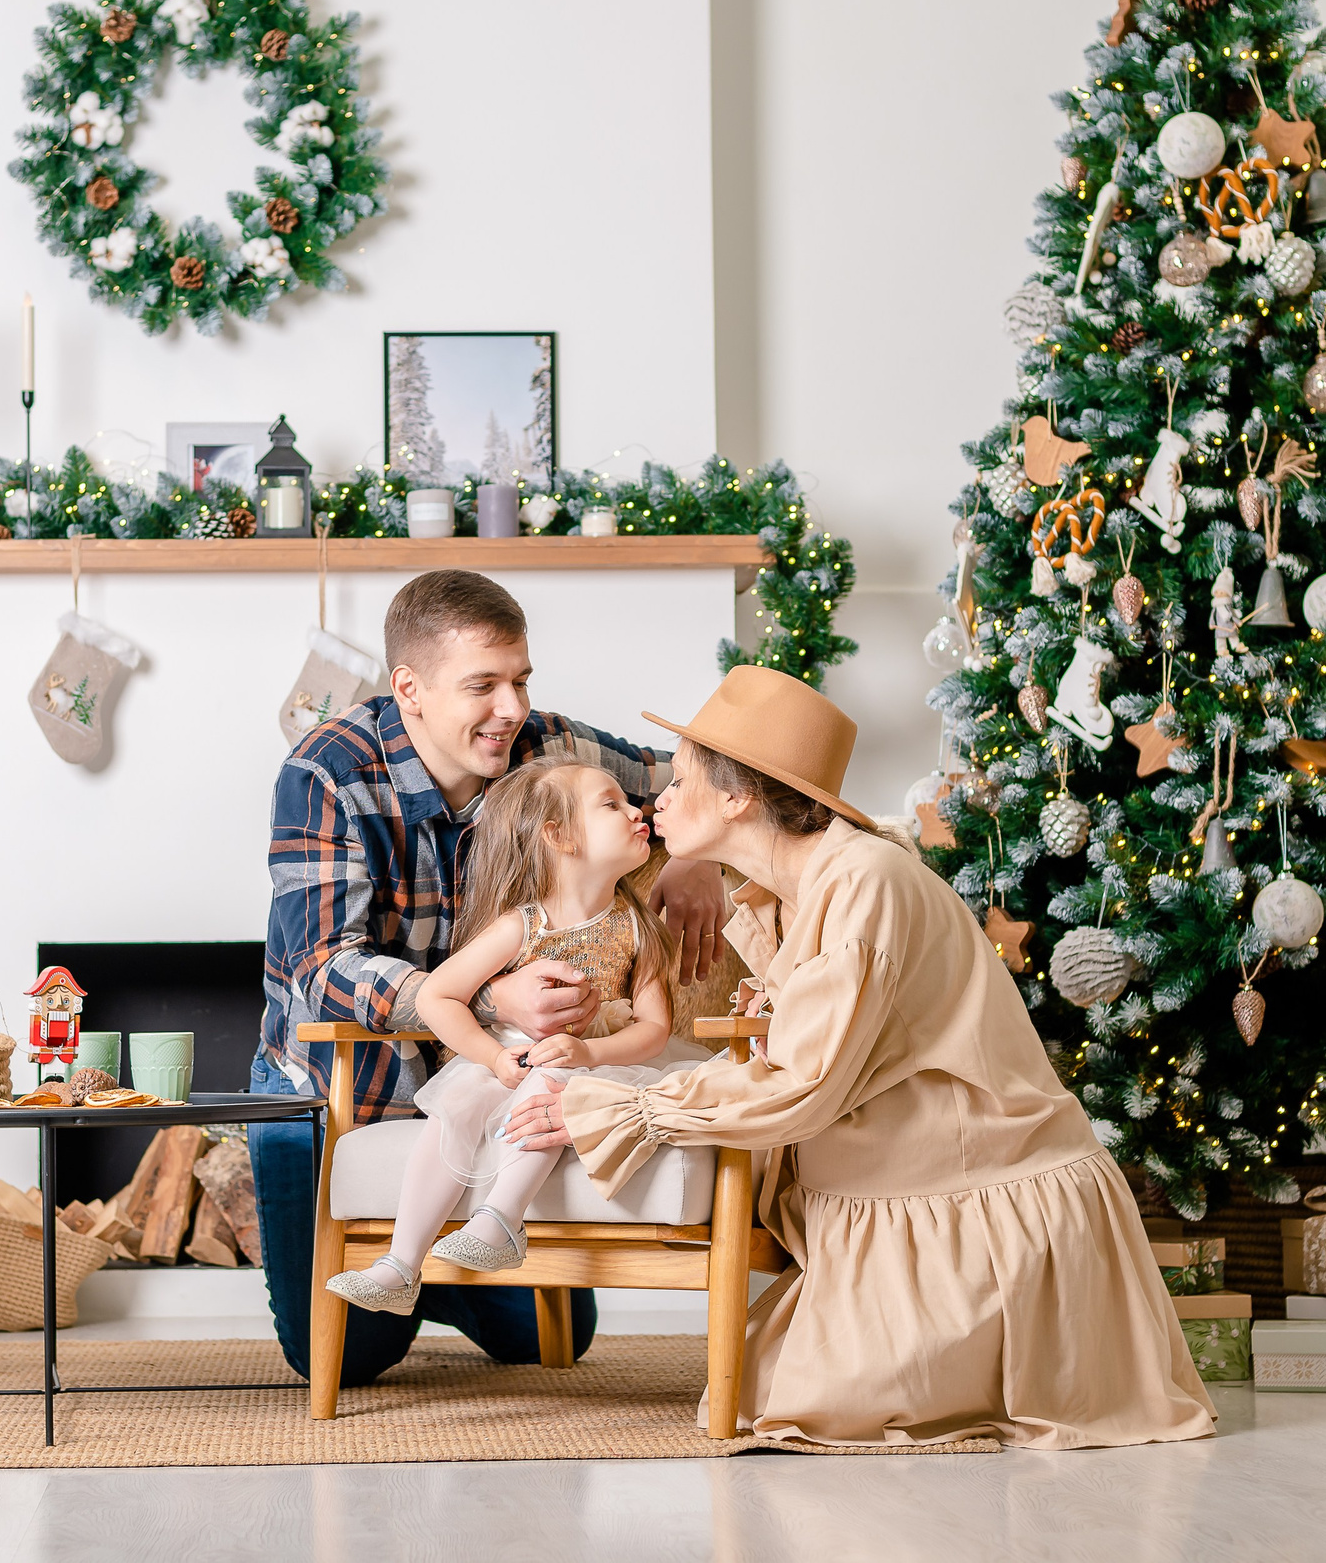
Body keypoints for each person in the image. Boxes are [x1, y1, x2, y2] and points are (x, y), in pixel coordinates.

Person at [504, 666, 1217, 1449]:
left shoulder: (864, 883)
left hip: (975, 1196)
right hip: (904, 1188)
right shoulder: (799, 887)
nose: (658, 801)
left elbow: (802, 1085)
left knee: (772, 1401)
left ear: (739, 798)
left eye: (678, 782)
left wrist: (623, 1107)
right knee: (755, 1389)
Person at [251, 570, 728, 1386]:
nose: (511, 708)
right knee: (346, 1356)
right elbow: (322, 966)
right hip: (344, 1084)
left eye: (520, 679)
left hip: (507, 1080)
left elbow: (697, 777)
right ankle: (422, 1268)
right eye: (483, 685)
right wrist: (482, 995)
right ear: (410, 688)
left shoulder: (547, 751)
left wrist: (697, 854)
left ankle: (452, 1263)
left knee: (548, 1346)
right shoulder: (326, 772)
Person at [326, 756, 707, 1312]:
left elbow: (655, 1030)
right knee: (450, 1116)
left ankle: (501, 1221)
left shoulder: (635, 927)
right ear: (559, 837)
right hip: (513, 1058)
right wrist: (491, 1057)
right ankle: (400, 1263)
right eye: (611, 804)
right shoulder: (519, 926)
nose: (636, 810)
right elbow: (437, 995)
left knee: (549, 1077)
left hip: (599, 1065)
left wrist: (588, 1050)